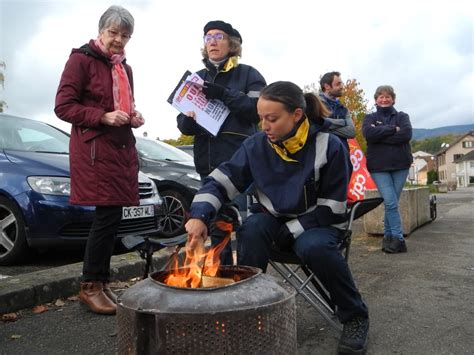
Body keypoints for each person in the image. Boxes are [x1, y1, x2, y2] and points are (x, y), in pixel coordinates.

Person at [185, 81, 370, 354]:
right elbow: (221, 182)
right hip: (274, 220)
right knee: (251, 228)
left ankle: (355, 317)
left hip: (321, 222)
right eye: (261, 118)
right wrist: (200, 216)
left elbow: (333, 206)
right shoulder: (256, 145)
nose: (264, 126)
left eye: (272, 119)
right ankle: (247, 311)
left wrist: (295, 229)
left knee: (313, 246)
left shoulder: (329, 145)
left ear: (296, 115)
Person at [54, 5, 144, 315]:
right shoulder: (80, 60)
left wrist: (133, 115)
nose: (118, 40)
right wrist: (102, 116)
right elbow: (63, 106)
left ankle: (101, 282)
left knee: (113, 217)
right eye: (113, 33)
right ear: (100, 31)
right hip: (95, 149)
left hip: (119, 148)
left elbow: (122, 102)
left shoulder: (124, 68)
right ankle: (90, 286)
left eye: (125, 35)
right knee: (106, 217)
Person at [177, 20, 266, 265]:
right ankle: (223, 277)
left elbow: (258, 109)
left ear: (232, 43)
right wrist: (189, 122)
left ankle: (250, 277)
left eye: (219, 36)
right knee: (218, 229)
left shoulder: (249, 74)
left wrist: (223, 94)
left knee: (246, 226)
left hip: (240, 165)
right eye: (208, 37)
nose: (213, 41)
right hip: (207, 164)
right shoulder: (196, 78)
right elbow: (182, 123)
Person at [362, 85, 413, 254]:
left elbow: (406, 135)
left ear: (393, 99)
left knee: (392, 204)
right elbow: (369, 135)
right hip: (379, 168)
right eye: (381, 97)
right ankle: (398, 239)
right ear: (376, 99)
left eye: (388, 96)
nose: (384, 99)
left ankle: (388, 238)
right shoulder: (369, 118)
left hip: (401, 165)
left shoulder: (402, 116)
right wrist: (392, 130)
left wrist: (380, 136)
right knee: (390, 202)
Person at [319, 71, 355, 151]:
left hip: (342, 155)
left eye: (341, 83)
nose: (342, 86)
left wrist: (326, 128)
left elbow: (352, 132)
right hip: (321, 155)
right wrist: (343, 122)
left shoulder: (344, 109)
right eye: (338, 84)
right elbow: (317, 123)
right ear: (327, 86)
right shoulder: (316, 104)